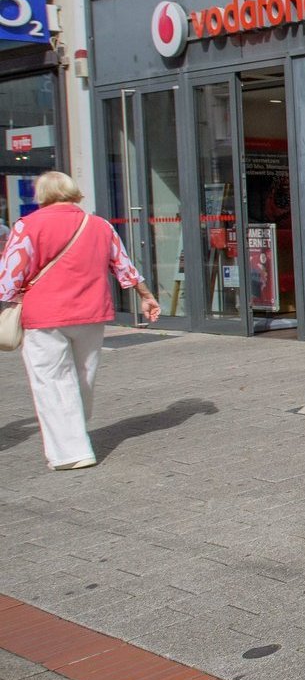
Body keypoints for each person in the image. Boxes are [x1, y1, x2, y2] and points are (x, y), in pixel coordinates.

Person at [0, 171, 161, 471]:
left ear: (42, 194)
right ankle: (75, 427)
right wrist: (146, 295)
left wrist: (8, 300)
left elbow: (9, 277)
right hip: (91, 312)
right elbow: (123, 265)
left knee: (51, 380)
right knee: (84, 376)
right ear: (73, 192)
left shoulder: (27, 226)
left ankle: (71, 451)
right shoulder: (99, 225)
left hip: (44, 316)